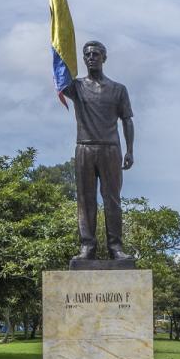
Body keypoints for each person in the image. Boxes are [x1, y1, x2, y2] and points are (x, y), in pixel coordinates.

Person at [61, 41, 135, 261]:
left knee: (112, 200)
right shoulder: (76, 87)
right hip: (84, 147)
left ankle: (115, 247)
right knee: (85, 199)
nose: (91, 57)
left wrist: (130, 150)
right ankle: (88, 246)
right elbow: (58, 74)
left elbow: (127, 120)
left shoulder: (118, 89)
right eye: (87, 55)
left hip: (110, 149)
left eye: (95, 54)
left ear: (104, 57)